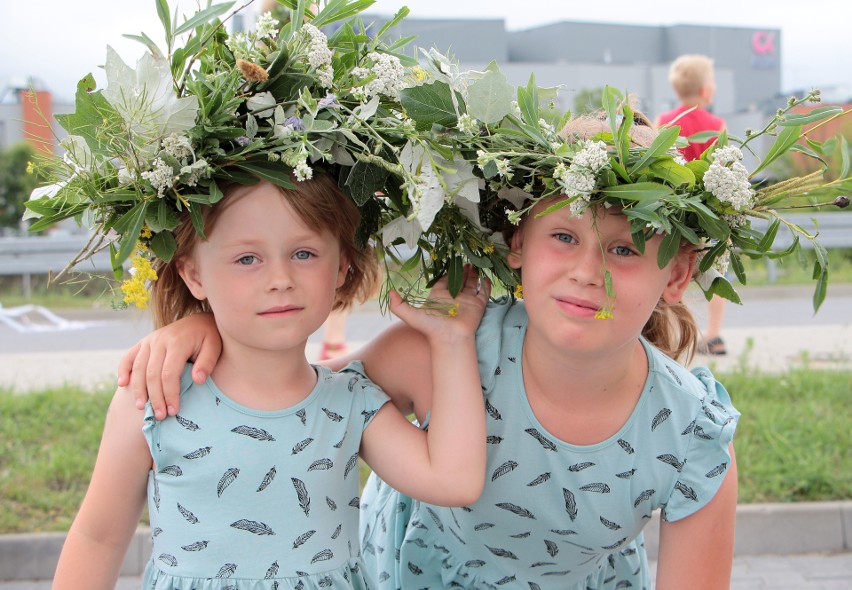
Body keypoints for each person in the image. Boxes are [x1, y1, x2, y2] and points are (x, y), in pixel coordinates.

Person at [116, 114, 740, 589]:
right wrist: (203, 332)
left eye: (625, 250)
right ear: (517, 242)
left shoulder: (692, 431)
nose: (587, 271)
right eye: (564, 236)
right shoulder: (450, 346)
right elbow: (289, 400)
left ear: (679, 274)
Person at [51, 175, 489, 589]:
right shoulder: (154, 397)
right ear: (194, 274)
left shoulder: (349, 402)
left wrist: (452, 338)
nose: (280, 280)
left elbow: (455, 482)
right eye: (247, 259)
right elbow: (98, 538)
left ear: (342, 266)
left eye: (304, 253)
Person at [656, 54, 728, 355]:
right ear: (704, 90)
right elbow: (723, 166)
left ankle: (673, 335)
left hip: (677, 210)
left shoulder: (664, 122)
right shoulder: (716, 124)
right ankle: (714, 335)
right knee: (716, 273)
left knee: (674, 273)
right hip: (708, 209)